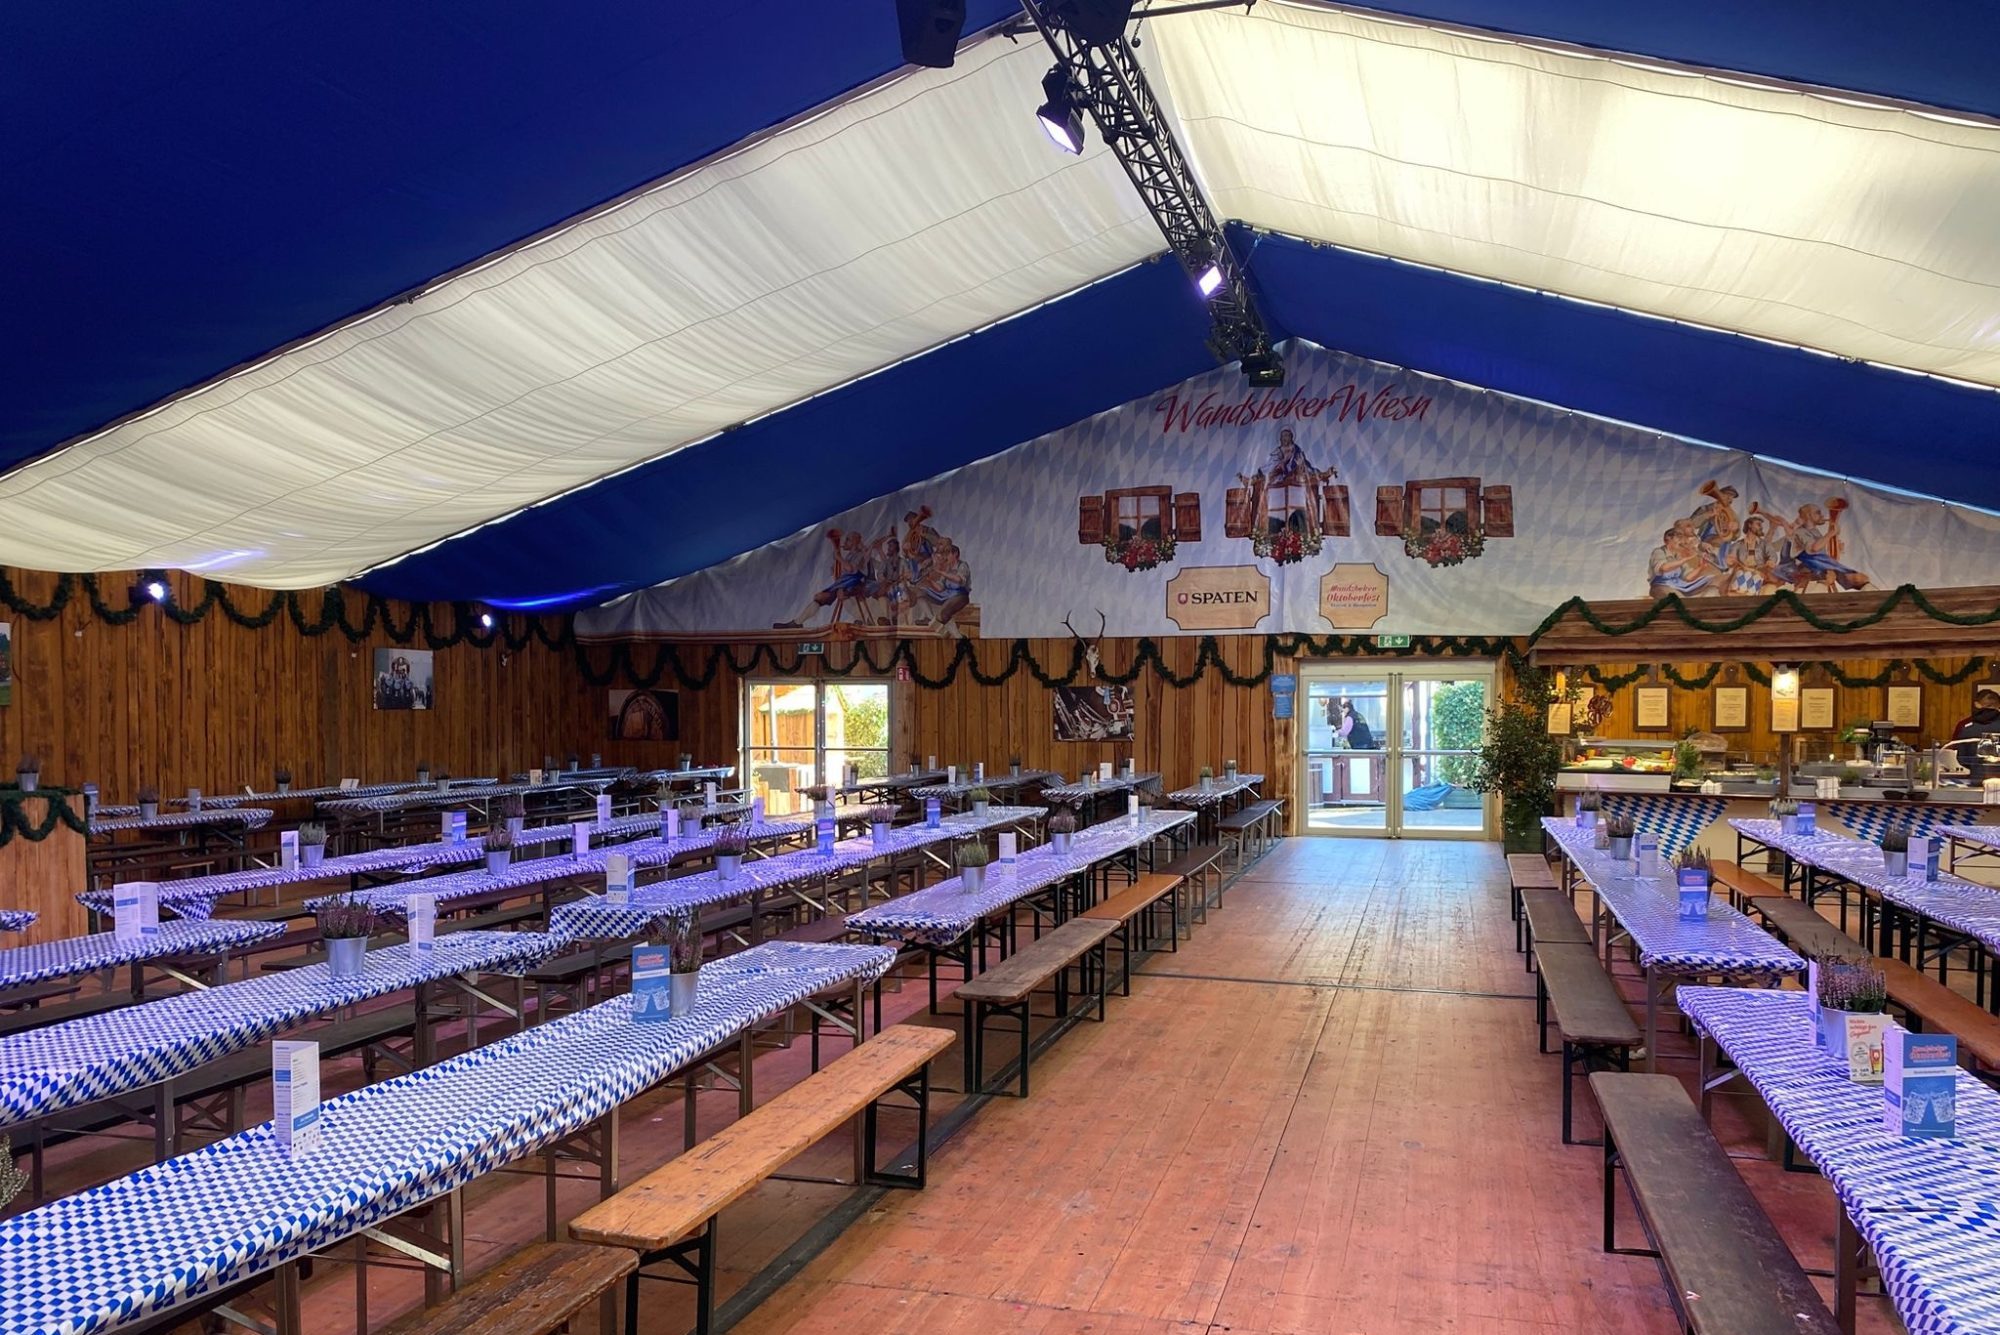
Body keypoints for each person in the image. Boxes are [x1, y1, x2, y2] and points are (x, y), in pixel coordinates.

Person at [1950, 689, 2000, 783]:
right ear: (1998, 705)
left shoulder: (1967, 728)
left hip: (1977, 778)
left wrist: (1975, 767)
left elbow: (1962, 759)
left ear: (1977, 705)